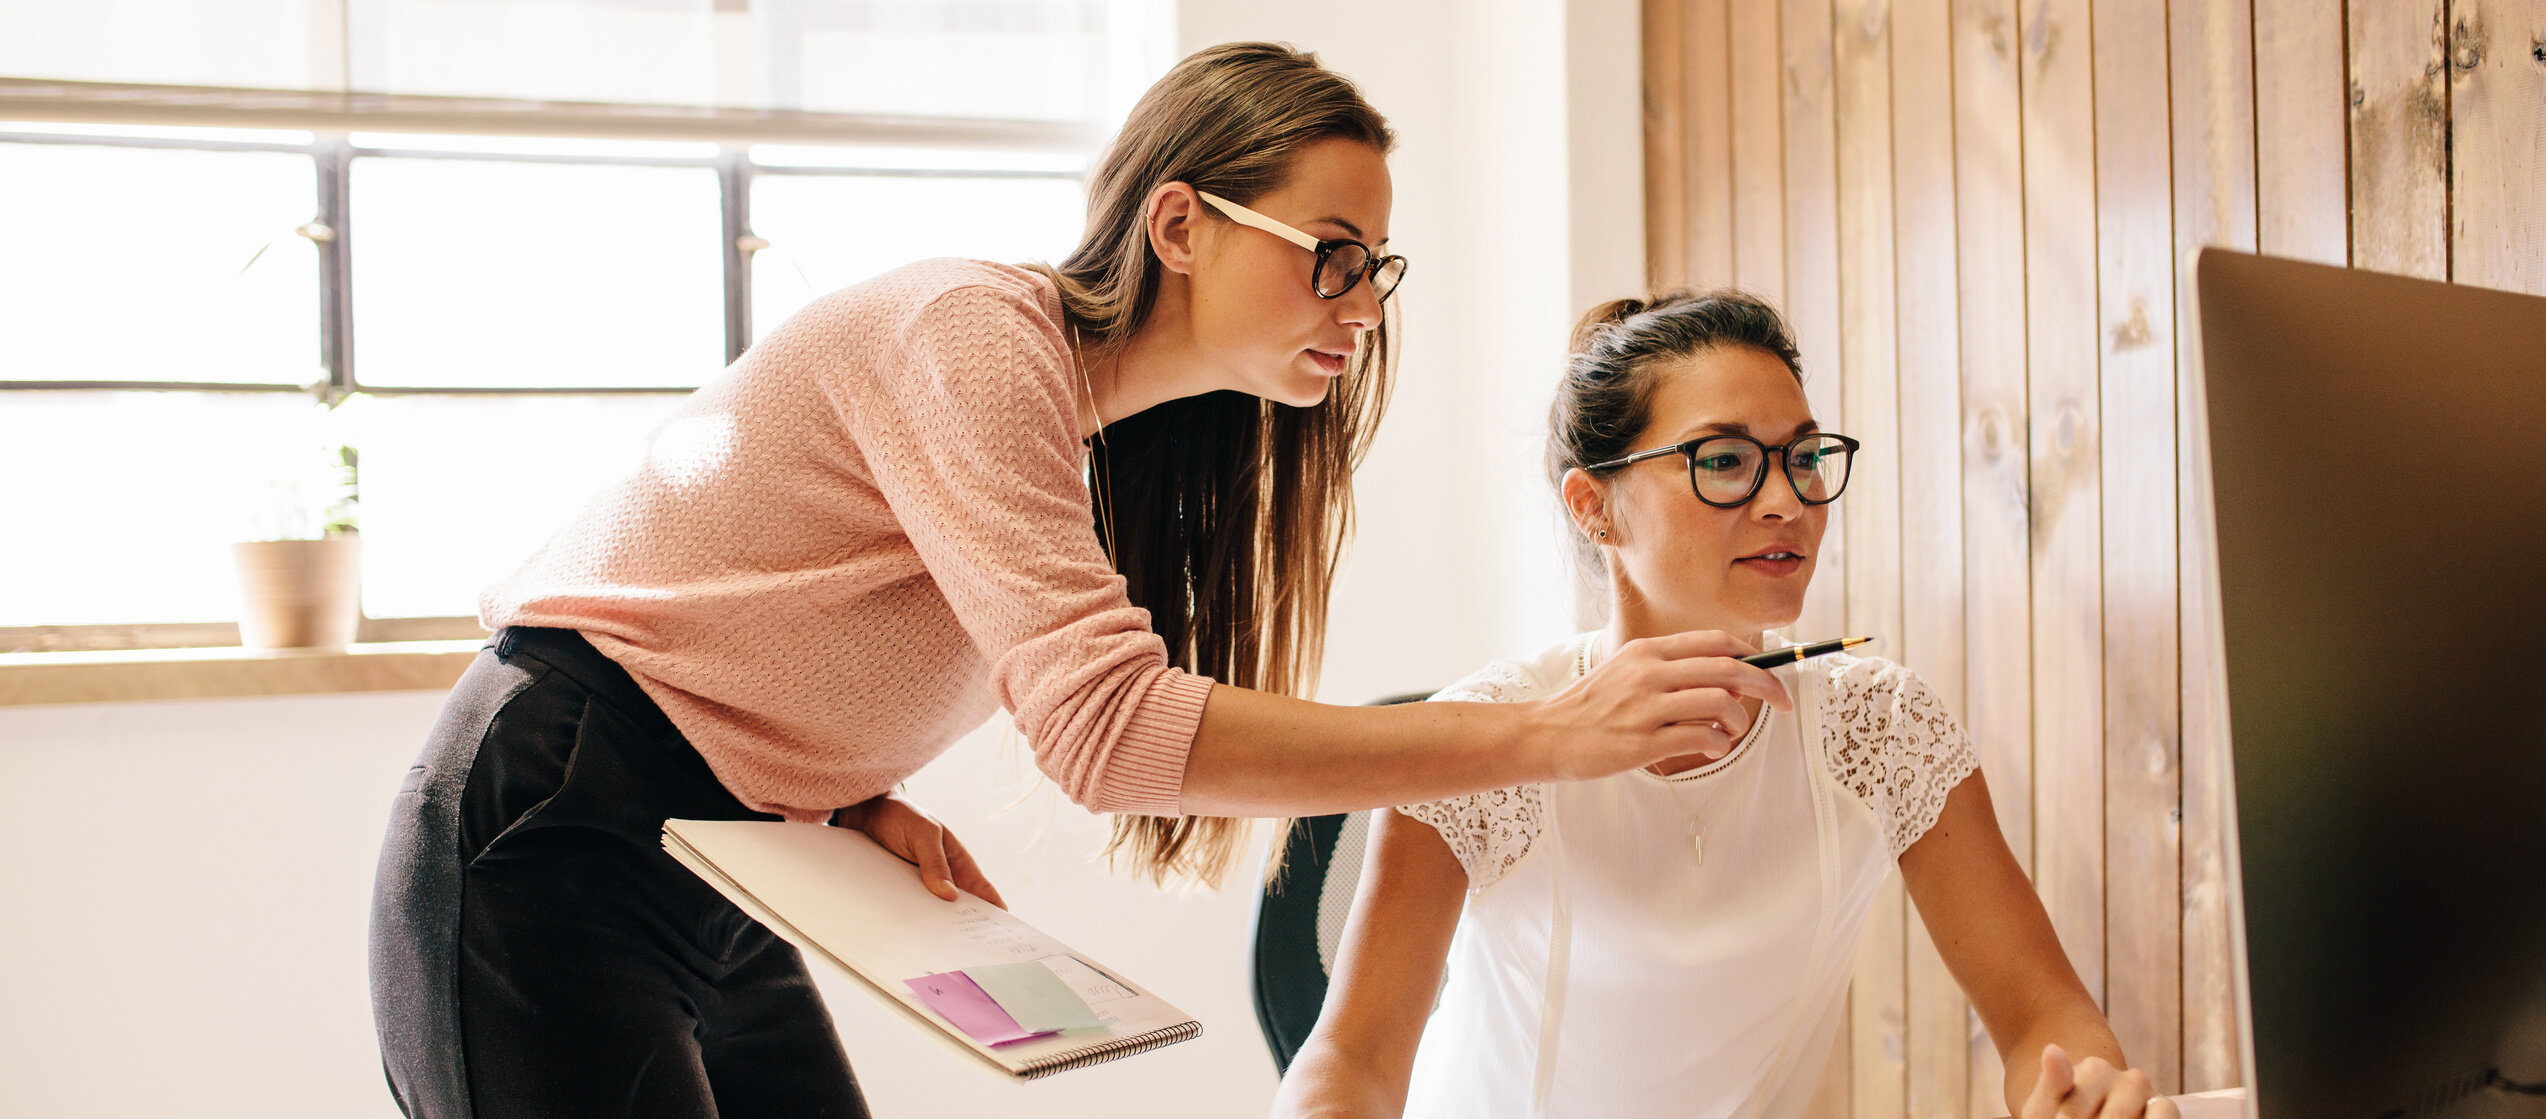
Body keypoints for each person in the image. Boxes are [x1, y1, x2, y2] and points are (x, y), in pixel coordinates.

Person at [369, 44, 1793, 1119]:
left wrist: (841, 787)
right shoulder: (975, 336)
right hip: (554, 824)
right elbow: (1111, 735)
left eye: (1378, 267)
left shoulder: (1103, 435)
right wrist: (1547, 735)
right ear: (1178, 225)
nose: (1363, 305)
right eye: (1330, 258)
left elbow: (775, 603)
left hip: (737, 848)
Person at [1268, 291, 2178, 1119]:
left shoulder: (1883, 730)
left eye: (1805, 458)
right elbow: (1351, 1061)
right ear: (1593, 505)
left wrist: (2084, 1089)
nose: (1787, 500)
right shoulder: (1485, 736)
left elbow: (2045, 1016)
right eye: (1726, 461)